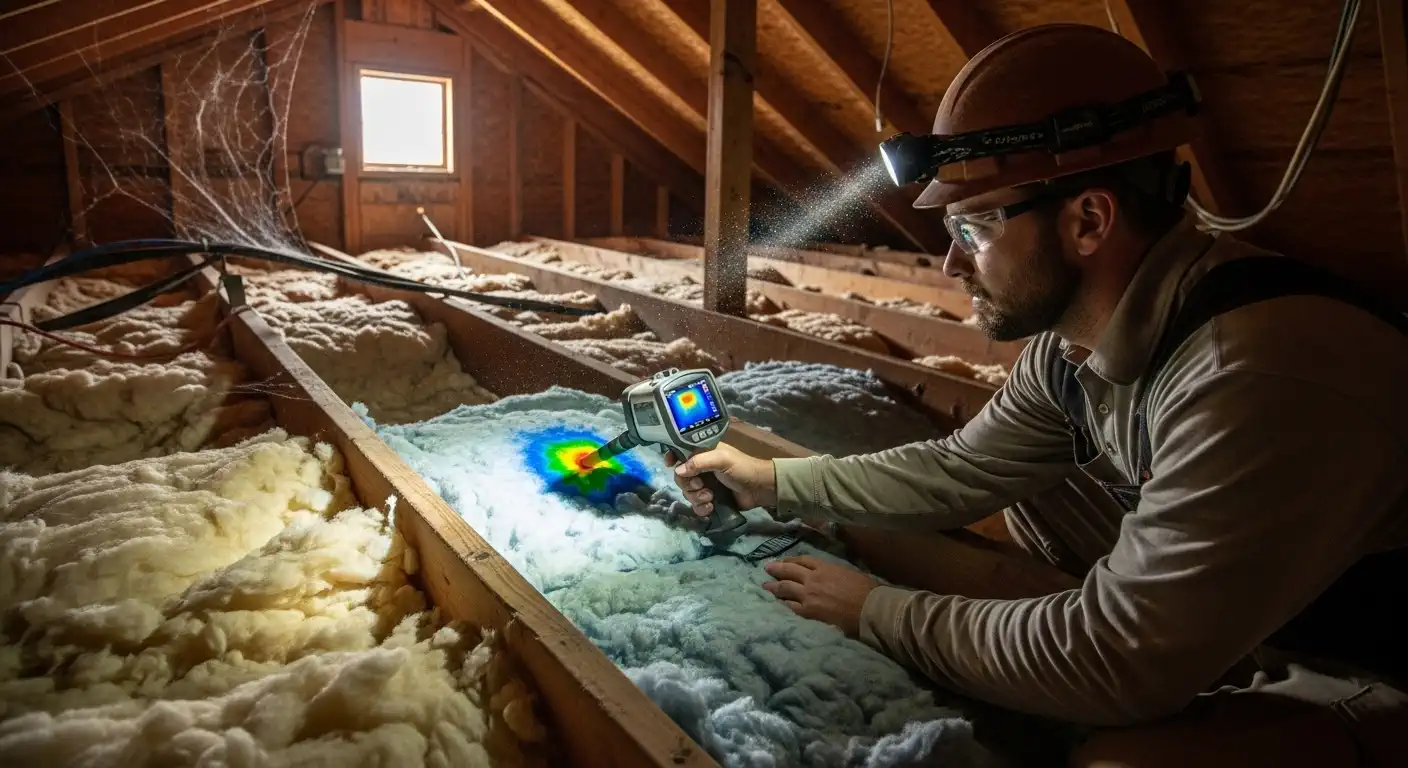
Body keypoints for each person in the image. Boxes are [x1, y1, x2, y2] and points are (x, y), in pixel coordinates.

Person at [665, 23, 1408, 768]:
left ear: (1089, 219)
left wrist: (877, 613)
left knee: (1119, 764)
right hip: (1272, 598)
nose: (952, 261)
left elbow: (1115, 662)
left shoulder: (1247, 374)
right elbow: (960, 471)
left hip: (1362, 660)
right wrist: (773, 480)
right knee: (1027, 490)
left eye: (975, 225)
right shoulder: (1072, 344)